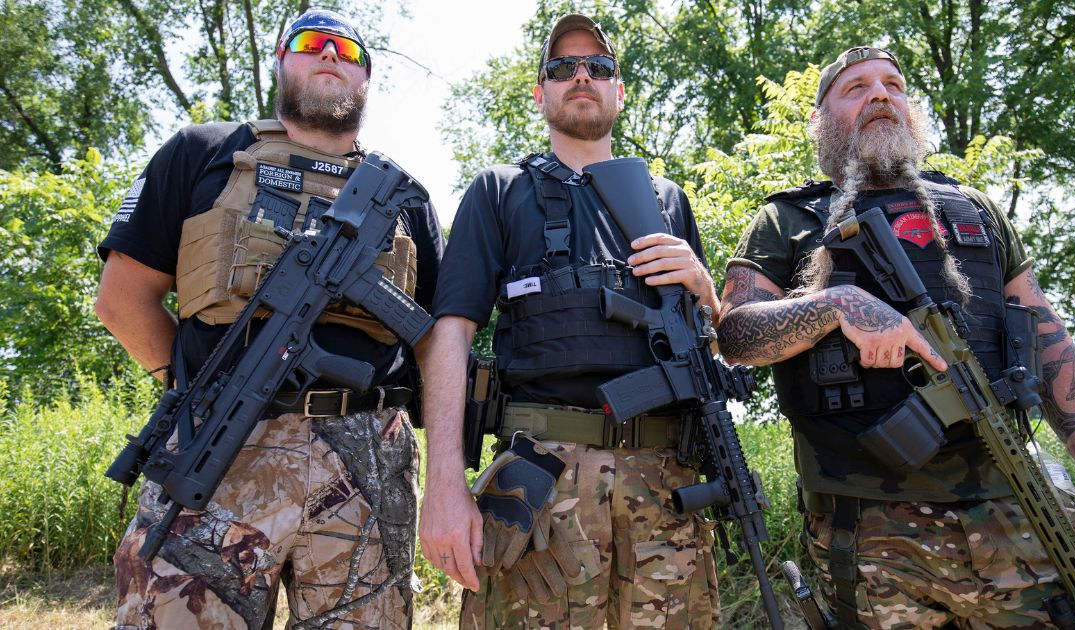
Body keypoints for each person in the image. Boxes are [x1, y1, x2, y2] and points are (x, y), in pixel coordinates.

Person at [717, 46, 1075, 628]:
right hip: (864, 532)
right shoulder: (787, 220)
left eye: (893, 84)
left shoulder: (977, 211)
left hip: (1018, 506)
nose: (881, 94)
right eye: (856, 87)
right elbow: (735, 336)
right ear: (820, 121)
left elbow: (1050, 338)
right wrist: (833, 306)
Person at [94, 9, 444, 628]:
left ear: (365, 75)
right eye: (311, 43)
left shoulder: (404, 196)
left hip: (369, 455)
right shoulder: (201, 152)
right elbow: (122, 300)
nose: (329, 55)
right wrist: (187, 384)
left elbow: (437, 339)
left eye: (346, 49)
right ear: (281, 60)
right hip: (220, 440)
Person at [417, 14, 721, 629]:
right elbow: (450, 336)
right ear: (541, 92)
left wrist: (705, 287)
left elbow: (712, 344)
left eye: (599, 67)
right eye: (562, 68)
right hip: (544, 489)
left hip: (666, 489)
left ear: (619, 90)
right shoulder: (500, 191)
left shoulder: (665, 202)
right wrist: (443, 485)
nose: (581, 76)